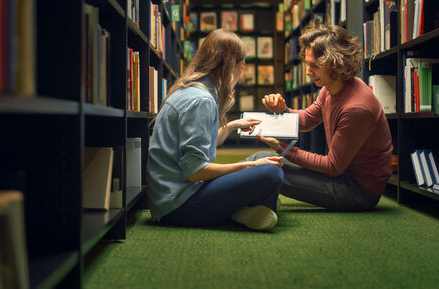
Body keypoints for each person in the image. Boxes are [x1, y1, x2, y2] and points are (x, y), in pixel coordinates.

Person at [146, 29, 284, 231]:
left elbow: (204, 142)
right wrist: (247, 168)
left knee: (263, 157)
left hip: (174, 196)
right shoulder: (201, 100)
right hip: (180, 205)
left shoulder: (193, 89)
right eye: (241, 66)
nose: (241, 73)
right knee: (271, 172)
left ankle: (242, 208)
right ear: (229, 66)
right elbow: (196, 171)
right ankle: (242, 208)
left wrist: (234, 125)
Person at [249, 24, 393, 211]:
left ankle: (223, 198)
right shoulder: (331, 88)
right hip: (341, 176)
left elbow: (333, 166)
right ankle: (248, 201)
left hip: (357, 191)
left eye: (314, 66)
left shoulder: (356, 108)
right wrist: (282, 110)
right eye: (308, 64)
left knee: (265, 168)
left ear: (335, 63)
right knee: (260, 159)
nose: (308, 72)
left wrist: (282, 149)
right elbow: (308, 119)